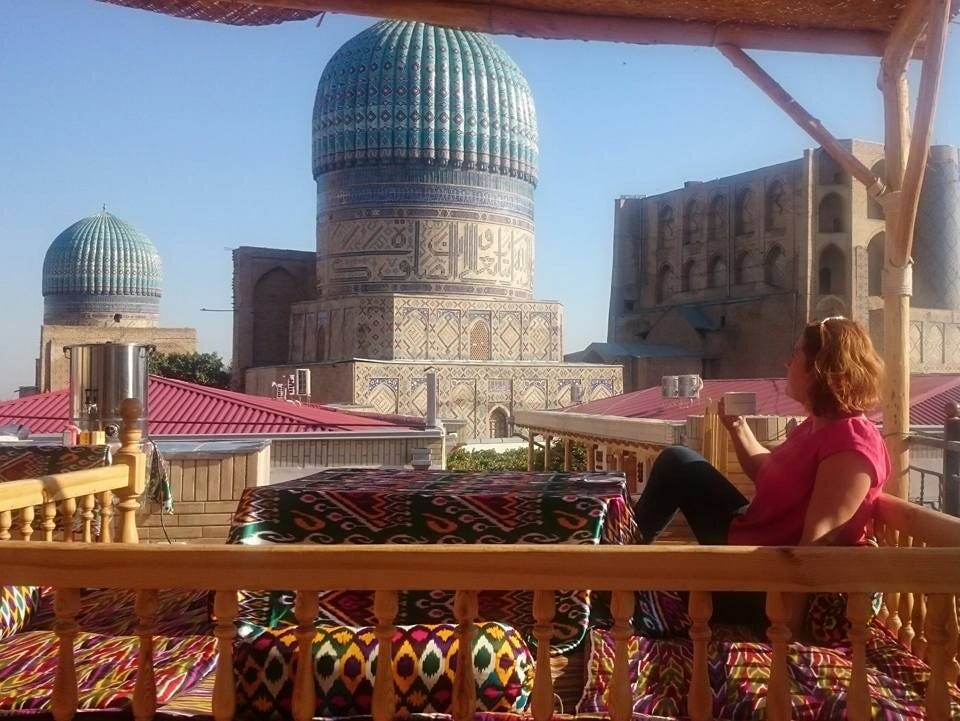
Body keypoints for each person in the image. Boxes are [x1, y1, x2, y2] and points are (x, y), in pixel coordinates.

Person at [632, 316, 891, 623]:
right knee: (678, 462)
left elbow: (819, 542)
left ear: (819, 368)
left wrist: (785, 631)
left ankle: (616, 577)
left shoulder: (851, 443)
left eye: (795, 354)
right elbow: (767, 471)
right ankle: (620, 564)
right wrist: (738, 427)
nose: (787, 363)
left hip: (765, 579)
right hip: (748, 535)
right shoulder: (816, 427)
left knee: (667, 591)